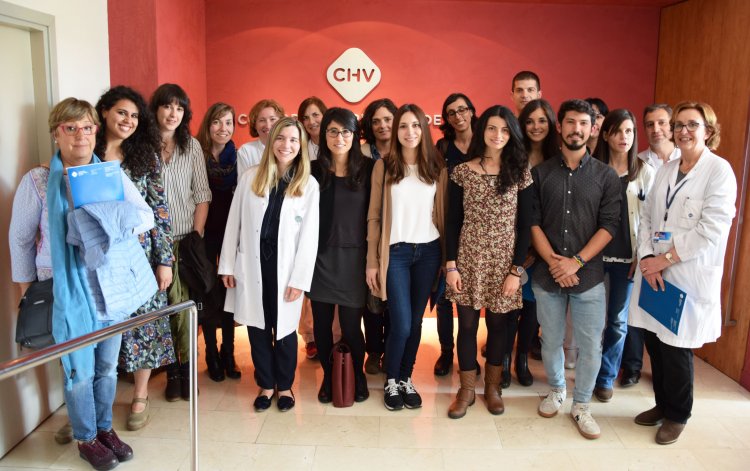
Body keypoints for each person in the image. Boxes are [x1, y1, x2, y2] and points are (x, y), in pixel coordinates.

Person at [10, 97, 157, 470]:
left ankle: (105, 428)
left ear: (96, 131)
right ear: (56, 133)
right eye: (70, 128)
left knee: (108, 367)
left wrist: (101, 217)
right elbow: (21, 239)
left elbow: (144, 217)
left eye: (88, 127)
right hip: (67, 290)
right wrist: (26, 290)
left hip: (110, 287)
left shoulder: (108, 174)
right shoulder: (39, 181)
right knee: (79, 370)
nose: (81, 135)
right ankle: (85, 436)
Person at [630, 101, 736, 445]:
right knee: (655, 342)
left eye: (692, 125)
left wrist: (664, 260)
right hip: (654, 270)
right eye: (679, 125)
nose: (683, 131)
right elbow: (647, 216)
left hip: (686, 273)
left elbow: (711, 229)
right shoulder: (666, 168)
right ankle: (662, 405)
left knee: (676, 347)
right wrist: (647, 257)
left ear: (709, 130)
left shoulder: (719, 171)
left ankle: (678, 414)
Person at [531, 99, 621, 440]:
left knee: (590, 344)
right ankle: (556, 390)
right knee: (550, 340)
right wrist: (556, 263)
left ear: (592, 128)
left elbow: (610, 225)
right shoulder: (540, 174)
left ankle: (582, 404)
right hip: (546, 275)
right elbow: (532, 223)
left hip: (589, 278)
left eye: (584, 123)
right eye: (571, 122)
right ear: (560, 126)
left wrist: (576, 262)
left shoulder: (606, 176)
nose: (577, 129)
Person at [219, 117, 319, 413]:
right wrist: (226, 264)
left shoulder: (308, 184)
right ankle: (265, 384)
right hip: (252, 266)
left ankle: (285, 384)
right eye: (280, 138)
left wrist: (300, 279)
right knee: (257, 328)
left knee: (285, 330)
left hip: (286, 269)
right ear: (271, 141)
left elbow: (309, 237)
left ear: (300, 146)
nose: (285, 145)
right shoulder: (251, 177)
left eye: (292, 140)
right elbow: (233, 223)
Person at [94, 86, 175, 431]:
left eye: (134, 115)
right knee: (101, 327)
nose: (128, 120)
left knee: (146, 325)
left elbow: (160, 210)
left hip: (140, 256)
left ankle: (140, 393)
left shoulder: (145, 155)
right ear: (104, 113)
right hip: (98, 255)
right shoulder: (87, 152)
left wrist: (165, 260)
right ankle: (95, 402)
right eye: (121, 113)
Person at [444, 105, 532, 418]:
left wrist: (515, 271)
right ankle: (466, 388)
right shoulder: (462, 171)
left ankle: (492, 387)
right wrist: (451, 265)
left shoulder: (520, 173)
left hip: (504, 263)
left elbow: (526, 227)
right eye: (492, 128)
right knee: (466, 325)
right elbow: (452, 222)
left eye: (505, 130)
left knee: (498, 327)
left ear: (512, 135)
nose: (498, 135)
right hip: (468, 259)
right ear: (483, 131)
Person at [366, 104, 447, 411]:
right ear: (396, 131)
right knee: (400, 324)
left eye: (415, 126)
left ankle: (405, 379)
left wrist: (444, 260)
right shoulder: (383, 167)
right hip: (395, 254)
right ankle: (391, 380)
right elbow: (374, 216)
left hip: (428, 252)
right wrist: (372, 261)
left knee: (415, 323)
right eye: (403, 126)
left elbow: (443, 216)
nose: (409, 132)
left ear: (423, 130)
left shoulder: (436, 168)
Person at [150, 83, 212, 401]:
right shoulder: (141, 147)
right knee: (161, 310)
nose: (173, 113)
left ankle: (187, 371)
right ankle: (171, 372)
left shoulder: (192, 147)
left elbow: (202, 195)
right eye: (167, 106)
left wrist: (196, 237)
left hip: (185, 242)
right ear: (156, 109)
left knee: (185, 309)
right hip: (152, 246)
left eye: (179, 107)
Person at [309, 107, 374, 403]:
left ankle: (357, 375)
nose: (339, 137)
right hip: (319, 259)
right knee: (322, 325)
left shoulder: (369, 169)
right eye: (333, 131)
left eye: (345, 131)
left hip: (354, 259)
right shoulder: (312, 169)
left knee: (350, 326)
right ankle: (328, 374)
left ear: (355, 135)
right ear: (324, 135)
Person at [591, 109, 655, 402]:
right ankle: (589, 372)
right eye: (617, 131)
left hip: (627, 261)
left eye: (629, 131)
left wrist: (641, 256)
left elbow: (650, 220)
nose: (623, 137)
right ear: (606, 135)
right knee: (591, 320)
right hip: (594, 257)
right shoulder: (592, 168)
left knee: (617, 321)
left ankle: (605, 377)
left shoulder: (645, 172)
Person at [621, 103, 681, 387]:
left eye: (661, 123)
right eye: (649, 124)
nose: (655, 129)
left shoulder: (688, 160)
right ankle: (632, 367)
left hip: (677, 254)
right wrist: (642, 253)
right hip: (644, 249)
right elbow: (643, 215)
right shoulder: (639, 162)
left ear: (671, 125)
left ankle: (665, 374)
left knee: (668, 316)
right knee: (638, 313)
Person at [503, 98, 559, 388]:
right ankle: (500, 361)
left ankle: (521, 358)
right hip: (512, 243)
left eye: (542, 120)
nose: (536, 127)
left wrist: (541, 249)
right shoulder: (512, 156)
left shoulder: (559, 159)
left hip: (545, 247)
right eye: (529, 121)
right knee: (507, 306)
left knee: (532, 308)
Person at [432, 93, 477, 377]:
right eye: (451, 112)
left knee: (471, 296)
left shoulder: (486, 143)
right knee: (444, 297)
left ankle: (468, 357)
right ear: (446, 119)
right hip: (448, 224)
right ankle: (446, 352)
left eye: (462, 110)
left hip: (477, 227)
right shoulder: (443, 146)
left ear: (472, 112)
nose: (458, 115)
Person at [196, 102, 242, 382]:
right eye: (217, 122)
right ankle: (210, 352)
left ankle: (229, 352)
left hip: (231, 235)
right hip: (202, 234)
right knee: (206, 293)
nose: (222, 128)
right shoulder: (194, 155)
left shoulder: (238, 158)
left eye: (228, 122)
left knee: (228, 294)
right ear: (207, 125)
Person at [359, 97, 398, 374]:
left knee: (396, 299)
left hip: (399, 236)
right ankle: (374, 351)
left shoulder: (408, 150)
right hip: (367, 231)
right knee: (371, 298)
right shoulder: (361, 154)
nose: (383, 125)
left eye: (387, 119)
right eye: (376, 121)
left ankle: (392, 350)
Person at [297, 96, 336, 360]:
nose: (312, 121)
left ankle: (336, 336)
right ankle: (310, 336)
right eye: (307, 117)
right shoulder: (299, 148)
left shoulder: (339, 144)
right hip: (305, 222)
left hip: (334, 222)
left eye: (316, 115)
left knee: (333, 281)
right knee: (306, 283)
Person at [237, 99, 284, 176]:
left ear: (281, 122)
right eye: (262, 120)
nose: (268, 125)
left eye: (272, 119)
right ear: (254, 125)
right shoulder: (246, 151)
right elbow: (243, 184)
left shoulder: (288, 149)